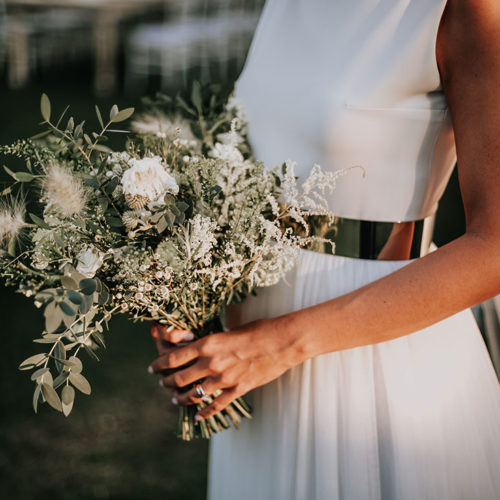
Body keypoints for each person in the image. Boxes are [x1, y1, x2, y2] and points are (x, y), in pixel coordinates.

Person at [149, 0, 500, 498]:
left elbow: (495, 248)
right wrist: (182, 300)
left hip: (374, 356)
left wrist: (277, 345)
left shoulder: (465, 9)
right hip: (251, 359)